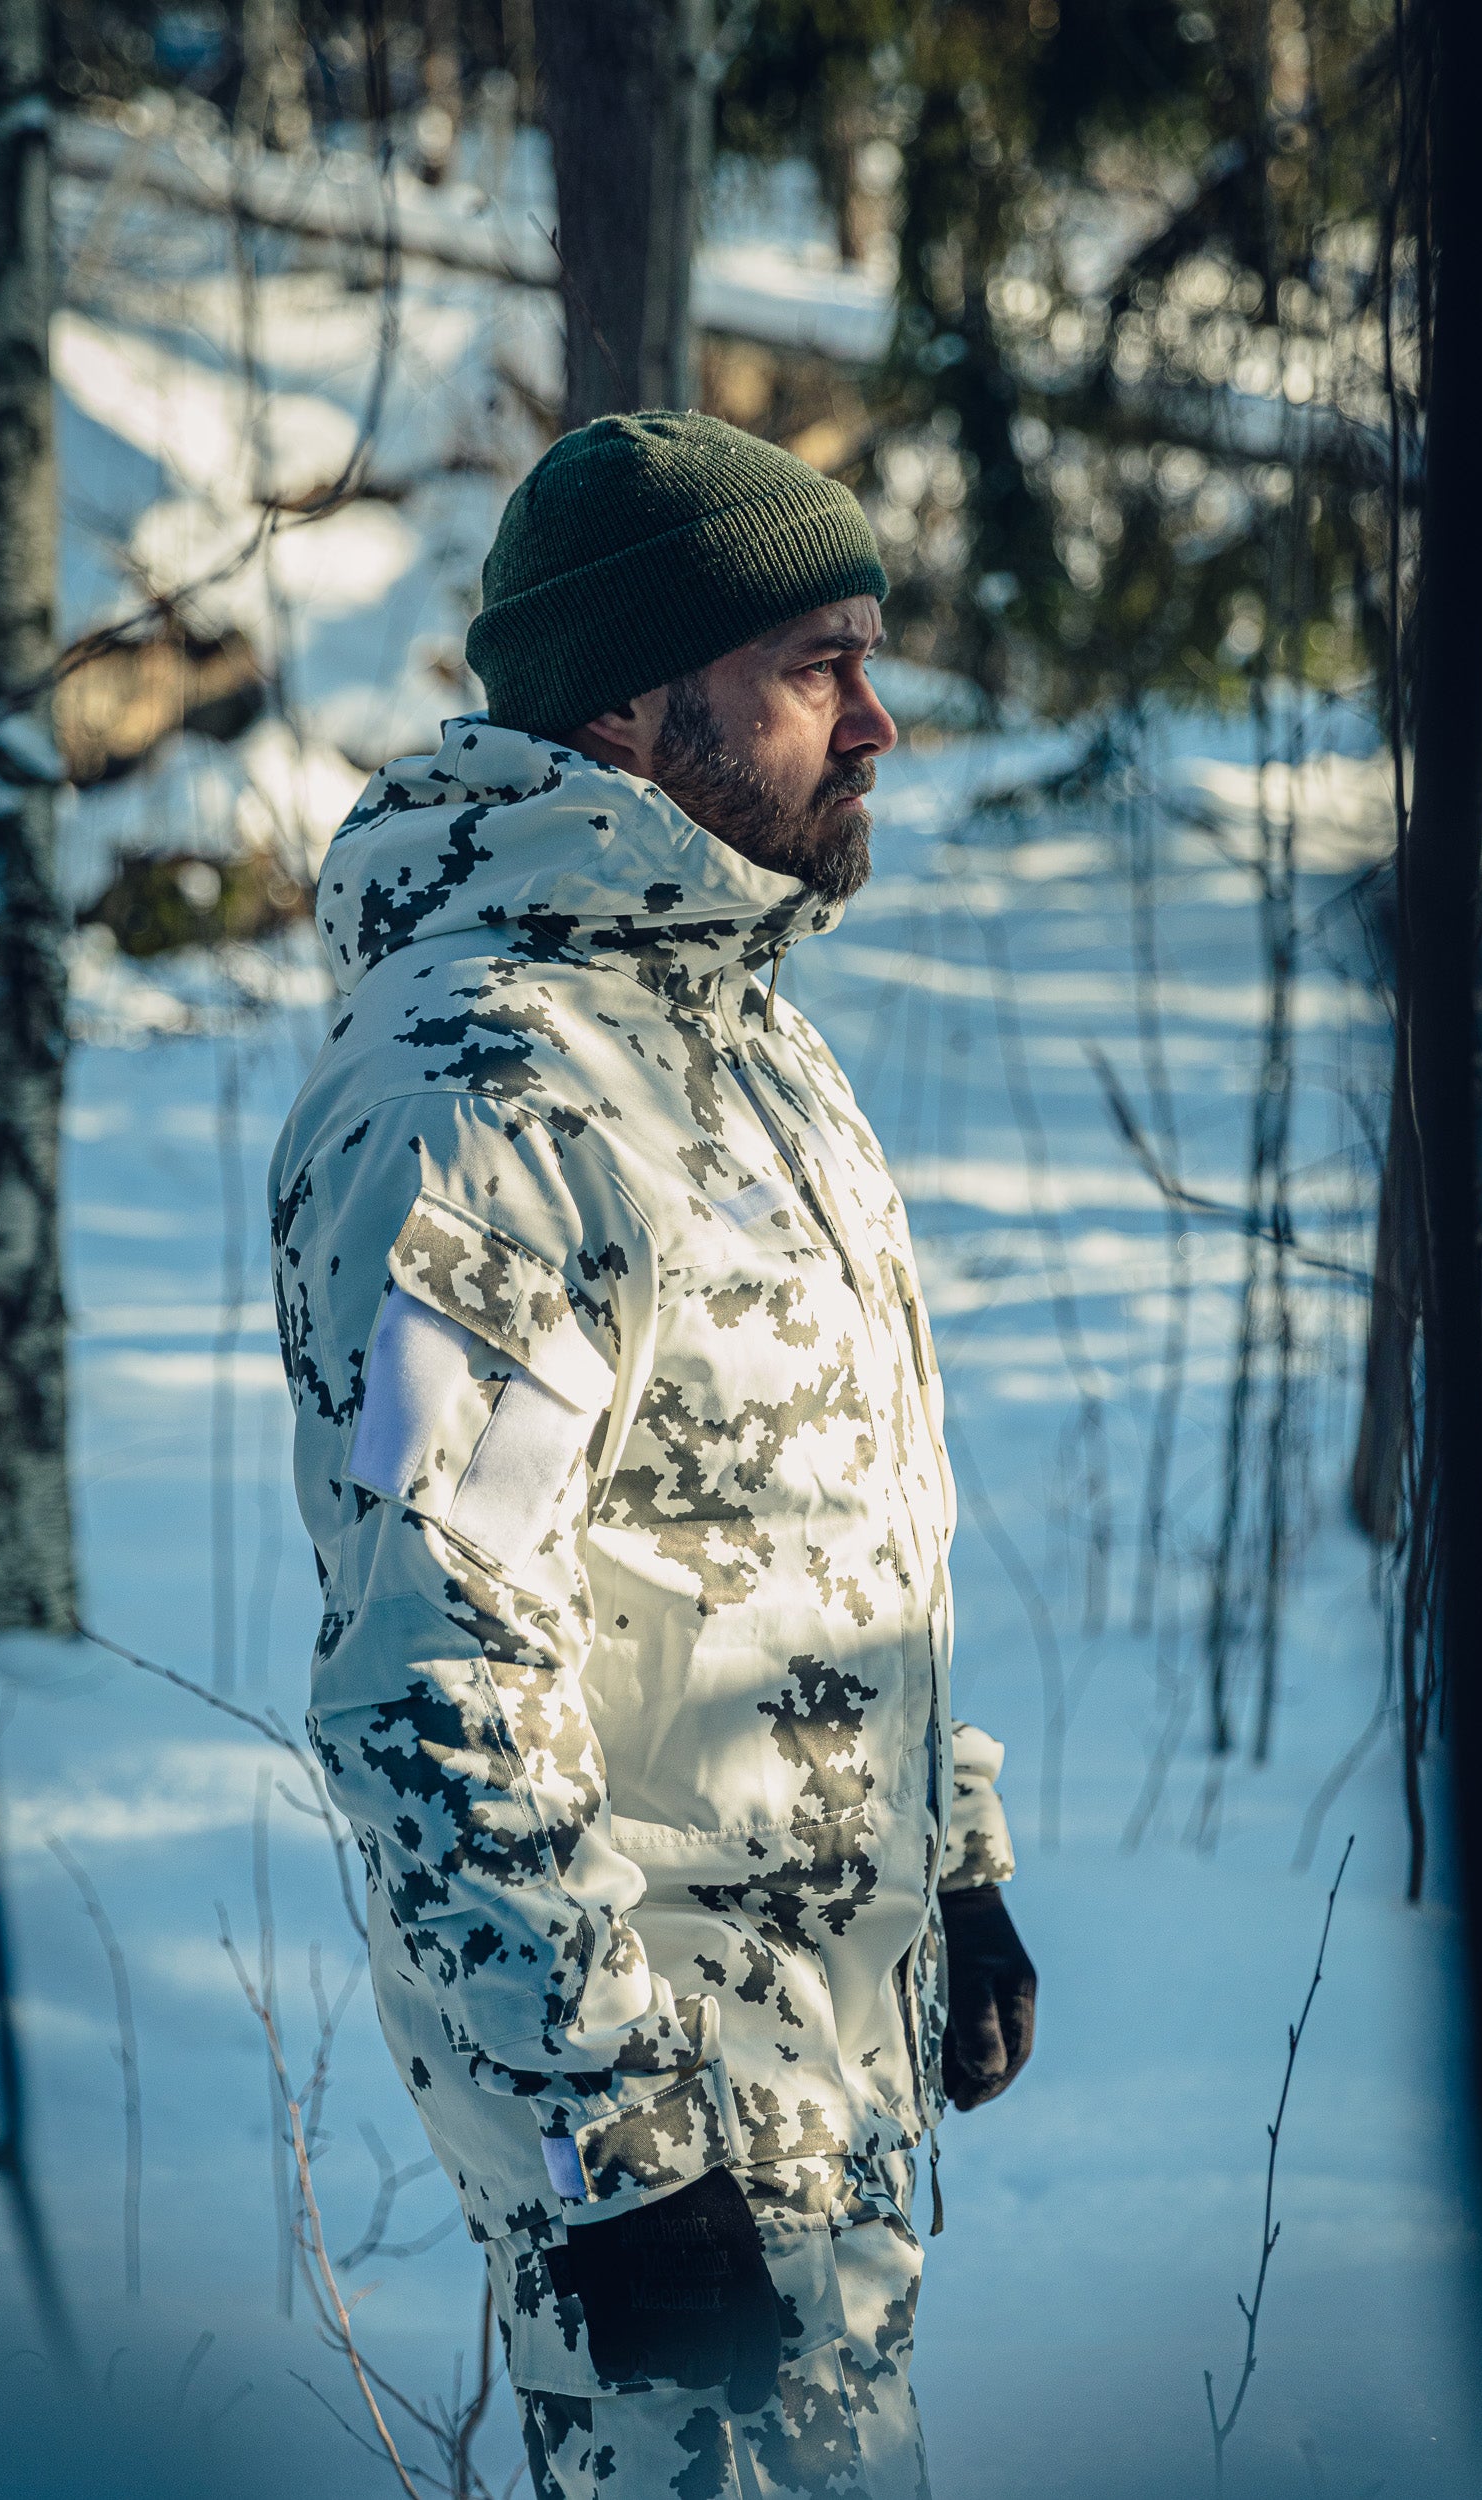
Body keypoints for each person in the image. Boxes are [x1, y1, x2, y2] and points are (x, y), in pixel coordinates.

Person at [269, 411, 1038, 2500]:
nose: (877, 723)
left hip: (821, 2093)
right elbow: (435, 1680)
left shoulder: (747, 1039)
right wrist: (611, 2150)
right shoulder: (478, 1088)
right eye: (814, 666)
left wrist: (946, 1858)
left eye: (869, 660)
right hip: (670, 2138)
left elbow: (815, 1524)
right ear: (627, 701)